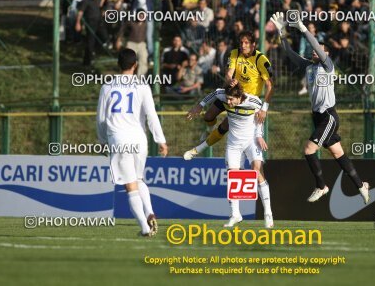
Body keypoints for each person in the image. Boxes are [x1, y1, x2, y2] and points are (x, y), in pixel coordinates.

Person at [270, 11, 369, 204]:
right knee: (338, 153)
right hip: (317, 116)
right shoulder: (308, 66)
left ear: (326, 54)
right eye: (314, 51)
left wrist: (303, 28)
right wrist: (282, 31)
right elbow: (289, 53)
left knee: (308, 150)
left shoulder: (328, 65)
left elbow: (316, 44)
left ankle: (321, 186)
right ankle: (360, 185)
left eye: (319, 50)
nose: (315, 51)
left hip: (328, 116)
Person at [96, 49, 168, 237]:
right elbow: (152, 115)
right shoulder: (143, 86)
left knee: (130, 186)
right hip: (139, 139)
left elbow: (101, 119)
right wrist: (161, 139)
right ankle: (150, 212)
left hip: (119, 139)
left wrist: (103, 140)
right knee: (138, 179)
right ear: (135, 65)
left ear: (118, 65)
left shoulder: (107, 87)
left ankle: (145, 228)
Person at [186, 83, 273, 228]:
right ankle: (235, 214)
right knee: (233, 177)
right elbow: (213, 94)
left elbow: (260, 118)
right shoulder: (222, 95)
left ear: (240, 97)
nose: (228, 102)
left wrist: (259, 136)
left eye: (232, 99)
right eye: (227, 99)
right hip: (233, 143)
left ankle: (268, 214)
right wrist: (200, 105)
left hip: (251, 141)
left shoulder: (253, 101)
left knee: (257, 173)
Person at [183, 31, 273, 160]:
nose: (243, 45)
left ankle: (197, 150)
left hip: (245, 101)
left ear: (253, 45)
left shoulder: (261, 59)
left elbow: (270, 85)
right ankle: (209, 131)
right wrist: (230, 80)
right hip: (232, 93)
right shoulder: (235, 53)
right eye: (241, 42)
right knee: (208, 117)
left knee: (225, 126)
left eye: (246, 43)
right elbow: (228, 74)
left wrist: (264, 109)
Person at [75, 0, 107, 66]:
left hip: (99, 22)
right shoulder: (86, 0)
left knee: (104, 37)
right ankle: (87, 62)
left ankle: (94, 50)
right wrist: (78, 23)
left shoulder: (98, 0)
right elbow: (80, 12)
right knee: (90, 43)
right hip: (90, 23)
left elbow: (101, 7)